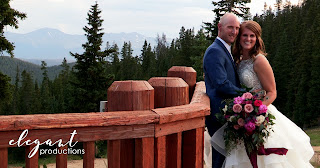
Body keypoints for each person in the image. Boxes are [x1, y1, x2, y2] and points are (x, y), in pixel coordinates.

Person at [211, 20, 314, 168]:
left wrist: (256, 112)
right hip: (243, 118)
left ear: (257, 38)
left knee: (266, 159)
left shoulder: (259, 60)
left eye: (252, 35)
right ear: (239, 37)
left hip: (260, 115)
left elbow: (272, 92)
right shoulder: (239, 61)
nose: (248, 39)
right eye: (245, 35)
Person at [203, 12, 244, 168]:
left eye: (237, 28)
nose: (234, 32)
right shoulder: (215, 51)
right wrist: (245, 94)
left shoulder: (224, 49)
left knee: (226, 160)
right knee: (220, 161)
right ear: (220, 27)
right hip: (220, 116)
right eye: (230, 27)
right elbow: (221, 84)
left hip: (227, 114)